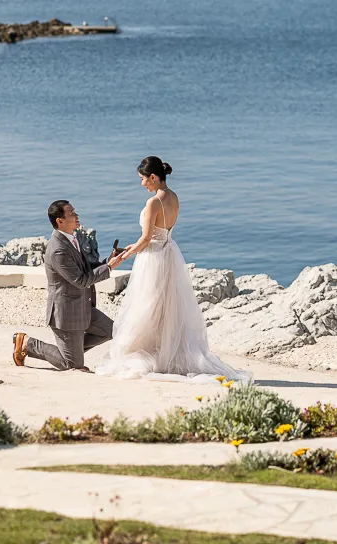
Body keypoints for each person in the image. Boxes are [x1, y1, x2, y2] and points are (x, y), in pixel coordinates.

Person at [96, 156, 250, 383]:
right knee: (167, 306)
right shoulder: (174, 197)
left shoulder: (153, 203)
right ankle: (166, 352)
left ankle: (150, 352)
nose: (142, 184)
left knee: (148, 305)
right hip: (169, 252)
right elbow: (161, 233)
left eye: (143, 179)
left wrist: (125, 254)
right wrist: (136, 244)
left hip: (153, 258)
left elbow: (147, 238)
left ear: (153, 177)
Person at [11, 200, 127, 371]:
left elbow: (85, 269)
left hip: (83, 307)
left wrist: (108, 261)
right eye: (72, 213)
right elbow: (81, 280)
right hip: (66, 314)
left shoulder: (71, 238)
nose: (77, 215)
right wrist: (109, 268)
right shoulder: (58, 249)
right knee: (72, 365)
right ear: (60, 220)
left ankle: (72, 351)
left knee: (111, 331)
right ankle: (28, 344)